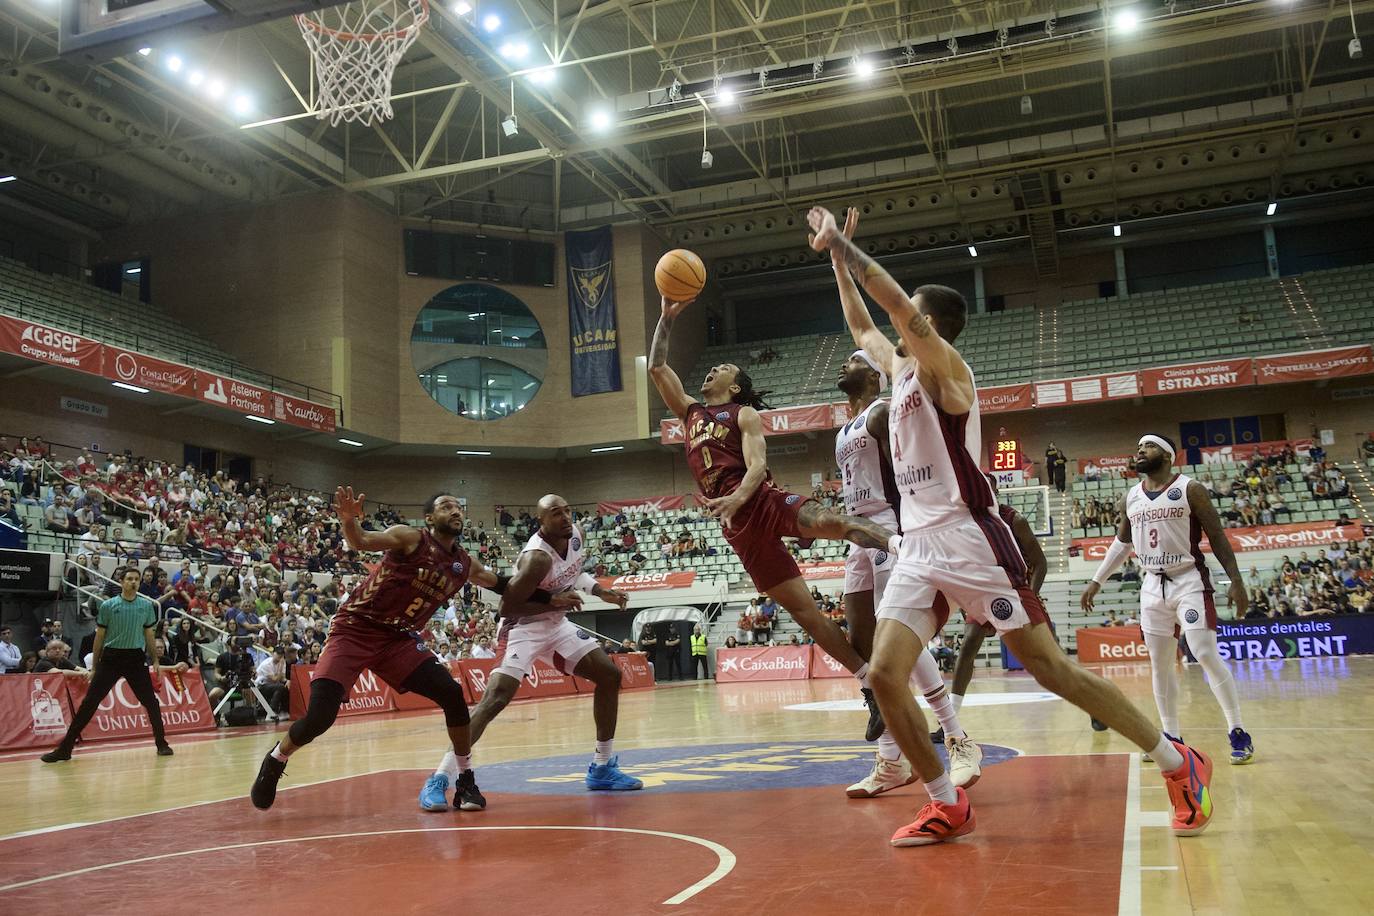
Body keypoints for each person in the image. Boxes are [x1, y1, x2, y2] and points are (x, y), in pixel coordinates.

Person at [811, 203, 1216, 846]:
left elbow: (886, 305)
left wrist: (848, 247)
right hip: (916, 543)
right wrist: (836, 257)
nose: (901, 323)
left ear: (933, 324)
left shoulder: (950, 375)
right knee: (886, 676)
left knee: (1052, 669)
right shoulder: (898, 372)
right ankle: (947, 802)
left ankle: (1176, 761)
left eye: (914, 312)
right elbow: (863, 323)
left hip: (972, 537)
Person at [649, 301, 900, 739]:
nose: (712, 371)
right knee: (807, 615)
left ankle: (904, 547)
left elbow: (756, 468)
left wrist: (735, 499)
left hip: (761, 502)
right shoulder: (690, 414)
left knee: (830, 520)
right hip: (739, 530)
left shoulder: (742, 414)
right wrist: (667, 317)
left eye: (722, 367)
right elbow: (656, 366)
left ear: (737, 386)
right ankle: (869, 687)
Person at [251, 488, 557, 812]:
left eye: (457, 507)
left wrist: (551, 598)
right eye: (445, 507)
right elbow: (362, 541)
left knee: (452, 694)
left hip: (396, 639)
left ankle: (466, 779)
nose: (455, 511)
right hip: (354, 630)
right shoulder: (410, 538)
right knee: (319, 718)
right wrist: (348, 522)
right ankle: (276, 759)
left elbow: (503, 585)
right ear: (429, 518)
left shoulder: (464, 564)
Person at [420, 493, 640, 807]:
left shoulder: (574, 536)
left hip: (556, 624)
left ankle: (602, 767)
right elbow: (507, 604)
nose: (565, 517)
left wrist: (601, 591)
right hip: (522, 626)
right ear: (541, 522)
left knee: (609, 675)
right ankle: (439, 778)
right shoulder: (536, 557)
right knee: (495, 699)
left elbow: (574, 572)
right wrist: (553, 600)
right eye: (555, 513)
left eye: (567, 511)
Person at [832, 349, 977, 799]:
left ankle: (955, 736)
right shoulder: (844, 428)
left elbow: (905, 476)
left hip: (891, 530)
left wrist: (907, 529)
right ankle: (892, 762)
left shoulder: (881, 414)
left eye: (854, 360)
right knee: (863, 641)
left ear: (875, 376)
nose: (844, 365)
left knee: (896, 637)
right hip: (858, 533)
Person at [1081, 434, 1255, 765]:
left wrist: (1236, 580)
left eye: (1147, 447)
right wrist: (1095, 581)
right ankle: (1171, 736)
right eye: (1138, 447)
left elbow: (1216, 536)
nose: (1139, 451)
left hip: (1189, 580)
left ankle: (1238, 731)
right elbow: (1121, 544)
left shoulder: (1190, 489)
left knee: (1203, 652)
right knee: (1160, 664)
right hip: (1151, 586)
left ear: (1167, 456)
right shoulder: (1131, 496)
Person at [937, 473, 1050, 739]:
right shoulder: (965, 523)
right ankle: (948, 724)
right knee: (967, 648)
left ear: (995, 491)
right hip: (984, 593)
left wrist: (1029, 598)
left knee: (1049, 662)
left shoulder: (1014, 520)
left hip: (1015, 591)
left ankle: (1094, 707)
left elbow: (1040, 563)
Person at [41, 566, 172, 762]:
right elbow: (99, 637)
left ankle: (162, 743)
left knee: (151, 702)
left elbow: (149, 635)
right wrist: (94, 666)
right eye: (130, 578)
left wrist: (154, 660)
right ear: (121, 581)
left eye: (137, 579)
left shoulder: (145, 606)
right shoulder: (108, 605)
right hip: (111, 658)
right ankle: (65, 748)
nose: (134, 582)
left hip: (135, 658)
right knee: (89, 703)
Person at [254, 645, 290, 717]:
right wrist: (280, 669)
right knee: (280, 687)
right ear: (273, 653)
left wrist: (288, 681)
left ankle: (284, 711)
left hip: (274, 685)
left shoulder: (283, 662)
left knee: (285, 687)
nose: (280, 656)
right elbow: (274, 679)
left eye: (281, 654)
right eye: (278, 654)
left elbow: (282, 678)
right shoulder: (266, 664)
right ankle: (272, 711)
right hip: (261, 685)